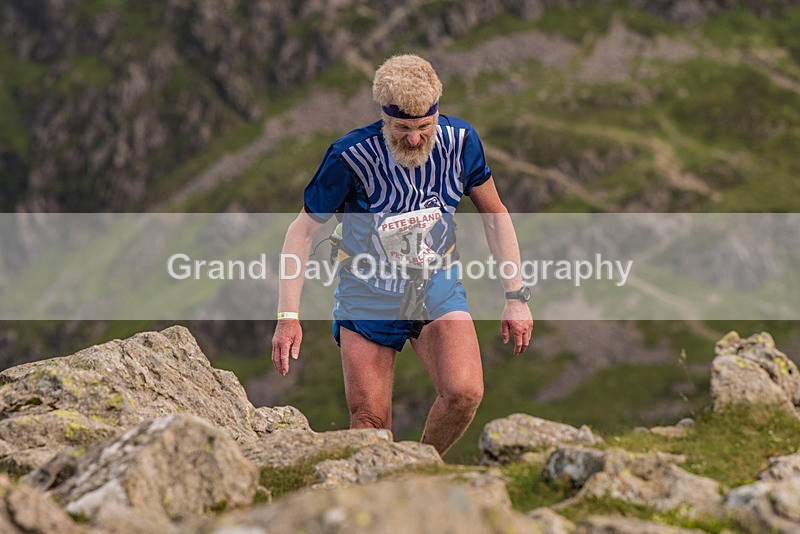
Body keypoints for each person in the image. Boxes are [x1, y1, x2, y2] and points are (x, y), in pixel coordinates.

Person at [271, 55, 533, 456]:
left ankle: (419, 468)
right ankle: (384, 485)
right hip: (368, 296)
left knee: (464, 393)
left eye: (423, 128)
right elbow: (301, 231)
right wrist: (288, 317)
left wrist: (515, 297)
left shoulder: (461, 143)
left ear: (437, 115)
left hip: (435, 288)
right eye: (402, 129)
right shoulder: (349, 157)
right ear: (384, 118)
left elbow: (495, 215)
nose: (413, 139)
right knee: (369, 427)